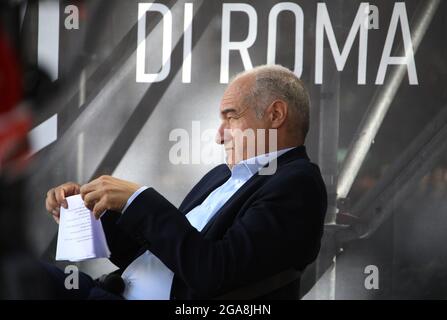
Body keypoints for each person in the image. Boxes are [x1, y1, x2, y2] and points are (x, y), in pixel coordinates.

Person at [44, 64, 327, 299]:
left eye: (231, 117)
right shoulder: (220, 176)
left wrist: (138, 199)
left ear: (275, 115)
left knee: (24, 277)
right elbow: (163, 255)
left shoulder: (298, 184)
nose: (219, 135)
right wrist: (92, 215)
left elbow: (214, 273)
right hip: (113, 289)